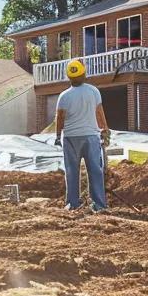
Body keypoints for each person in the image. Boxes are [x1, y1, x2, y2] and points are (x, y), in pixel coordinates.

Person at [53, 59, 109, 213]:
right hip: (91, 136)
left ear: (69, 76)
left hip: (71, 138)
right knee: (95, 170)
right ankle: (99, 205)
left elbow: (60, 118)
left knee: (71, 170)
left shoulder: (64, 96)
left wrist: (58, 136)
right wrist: (105, 129)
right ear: (84, 74)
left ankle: (72, 203)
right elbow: (99, 112)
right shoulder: (93, 91)